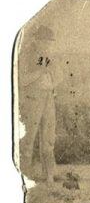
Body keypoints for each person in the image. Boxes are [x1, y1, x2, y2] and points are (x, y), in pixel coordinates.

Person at [18, 25, 59, 183]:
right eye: (46, 42)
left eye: (50, 42)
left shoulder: (47, 55)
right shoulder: (27, 54)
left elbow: (55, 74)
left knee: (48, 137)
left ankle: (49, 175)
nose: (49, 45)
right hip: (32, 98)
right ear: (38, 40)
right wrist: (42, 72)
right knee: (28, 137)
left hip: (48, 97)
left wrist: (52, 83)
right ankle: (24, 176)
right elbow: (22, 80)